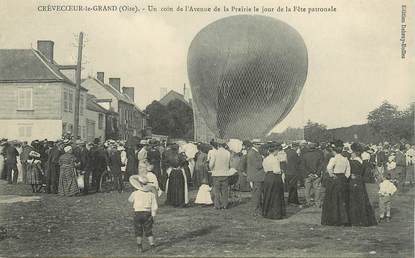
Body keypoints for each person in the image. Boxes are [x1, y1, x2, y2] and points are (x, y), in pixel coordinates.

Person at [321, 140, 350, 226]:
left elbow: (329, 168)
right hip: (343, 179)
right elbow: (348, 171)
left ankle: (334, 219)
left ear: (334, 150)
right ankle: (343, 219)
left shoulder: (333, 159)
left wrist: (332, 175)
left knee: (333, 199)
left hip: (335, 179)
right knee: (342, 199)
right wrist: (345, 177)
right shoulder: (345, 159)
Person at [348, 143, 377, 226]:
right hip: (361, 182)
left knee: (354, 200)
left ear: (355, 153)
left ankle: (356, 220)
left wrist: (352, 175)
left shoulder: (353, 162)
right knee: (362, 200)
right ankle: (363, 219)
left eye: (352, 153)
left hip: (354, 181)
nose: (351, 154)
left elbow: (351, 172)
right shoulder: (363, 161)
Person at [128, 175, 158, 253]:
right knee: (149, 231)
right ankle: (152, 246)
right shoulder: (151, 194)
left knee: (138, 231)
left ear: (139, 184)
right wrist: (153, 215)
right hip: (147, 213)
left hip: (137, 213)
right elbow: (154, 206)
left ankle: (139, 247)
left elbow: (130, 200)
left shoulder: (135, 193)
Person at [262, 143, 286, 220]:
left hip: (268, 177)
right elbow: (276, 170)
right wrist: (281, 171)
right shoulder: (275, 159)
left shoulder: (265, 159)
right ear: (275, 151)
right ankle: (275, 214)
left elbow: (265, 169)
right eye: (277, 151)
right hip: (275, 178)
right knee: (276, 196)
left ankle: (266, 212)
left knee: (268, 194)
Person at [300, 142, 324, 207]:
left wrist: (308, 174)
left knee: (307, 189)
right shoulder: (319, 154)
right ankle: (317, 203)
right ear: (315, 147)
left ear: (308, 147)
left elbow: (302, 166)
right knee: (317, 189)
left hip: (308, 175)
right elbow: (321, 165)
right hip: (317, 175)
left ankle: (308, 202)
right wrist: (317, 173)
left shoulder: (304, 155)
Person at [209, 141, 231, 210]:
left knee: (217, 190)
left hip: (216, 173)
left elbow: (211, 164)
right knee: (225, 190)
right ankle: (225, 204)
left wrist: (211, 169)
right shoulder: (228, 153)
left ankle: (217, 205)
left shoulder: (215, 152)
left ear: (218, 145)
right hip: (225, 173)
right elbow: (229, 163)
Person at [246, 140, 265, 216]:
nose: (259, 145)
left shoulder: (254, 152)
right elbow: (258, 165)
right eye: (258, 144)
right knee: (257, 194)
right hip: (256, 176)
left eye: (260, 144)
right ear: (254, 145)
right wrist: (264, 160)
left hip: (257, 176)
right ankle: (256, 210)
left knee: (257, 193)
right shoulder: (252, 153)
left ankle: (257, 209)